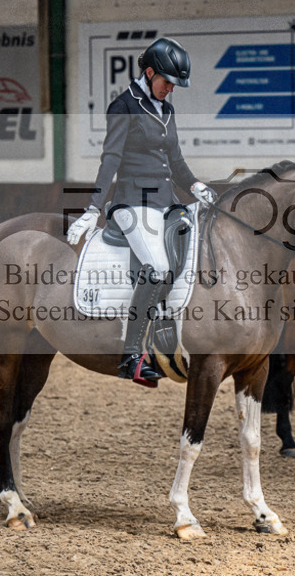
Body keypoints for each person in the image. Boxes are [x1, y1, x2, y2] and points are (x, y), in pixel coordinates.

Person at [67, 37, 217, 386]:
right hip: (132, 203)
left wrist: (196, 185)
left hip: (166, 202)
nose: (171, 89)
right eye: (167, 82)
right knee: (158, 268)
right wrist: (92, 208)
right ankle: (131, 356)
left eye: (175, 85)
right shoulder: (123, 106)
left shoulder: (167, 110)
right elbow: (110, 159)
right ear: (149, 73)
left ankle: (168, 333)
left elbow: (175, 161)